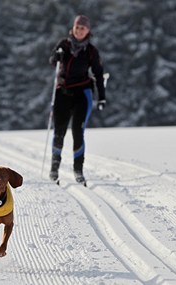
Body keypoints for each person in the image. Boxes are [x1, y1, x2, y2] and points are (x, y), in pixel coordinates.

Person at [48, 15, 106, 184]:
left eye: (83, 28)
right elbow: (52, 60)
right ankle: (54, 168)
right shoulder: (63, 45)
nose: (80, 31)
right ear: (73, 28)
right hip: (62, 92)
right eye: (77, 27)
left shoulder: (91, 51)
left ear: (88, 31)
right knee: (59, 131)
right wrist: (57, 57)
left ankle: (78, 169)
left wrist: (101, 97)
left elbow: (98, 74)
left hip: (83, 93)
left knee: (78, 132)